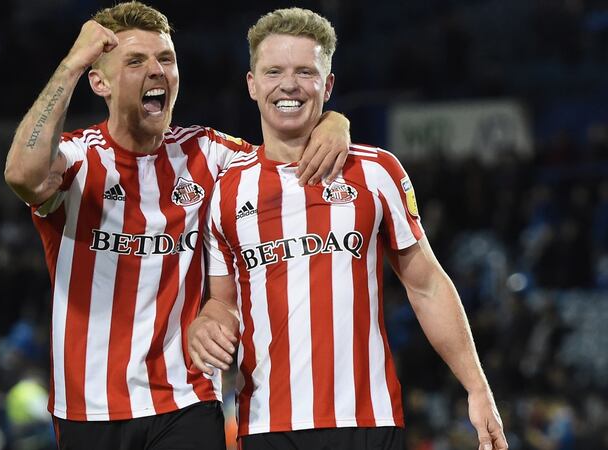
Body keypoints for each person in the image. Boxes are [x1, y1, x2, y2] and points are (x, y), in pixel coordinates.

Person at [3, 2, 351, 449]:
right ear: (99, 82)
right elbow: (21, 174)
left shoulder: (208, 152)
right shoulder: (78, 159)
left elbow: (284, 153)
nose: (157, 71)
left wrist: (334, 120)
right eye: (135, 61)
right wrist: (71, 64)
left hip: (186, 400)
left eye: (165, 59)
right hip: (89, 409)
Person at [188, 7, 509, 450]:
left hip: (367, 421)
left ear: (329, 84)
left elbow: (427, 286)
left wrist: (477, 387)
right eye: (274, 70)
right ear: (252, 83)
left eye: (306, 71)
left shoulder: (375, 171)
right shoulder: (226, 189)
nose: (289, 85)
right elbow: (224, 304)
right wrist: (209, 318)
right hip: (265, 425)